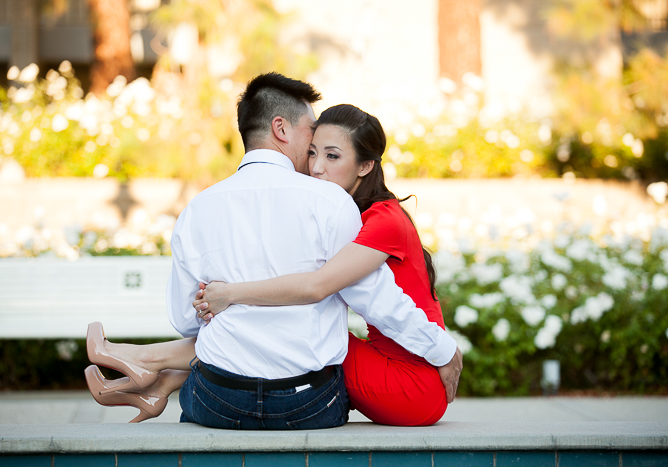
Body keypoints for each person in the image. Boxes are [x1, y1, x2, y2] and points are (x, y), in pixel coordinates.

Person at [85, 72, 461, 429]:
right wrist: (442, 350)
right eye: (310, 135)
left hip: (217, 401)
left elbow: (186, 319)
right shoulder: (331, 203)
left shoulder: (197, 208)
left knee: (233, 338)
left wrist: (230, 299)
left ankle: (152, 371)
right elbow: (374, 296)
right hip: (306, 405)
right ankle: (152, 370)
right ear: (281, 128)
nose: (314, 161)